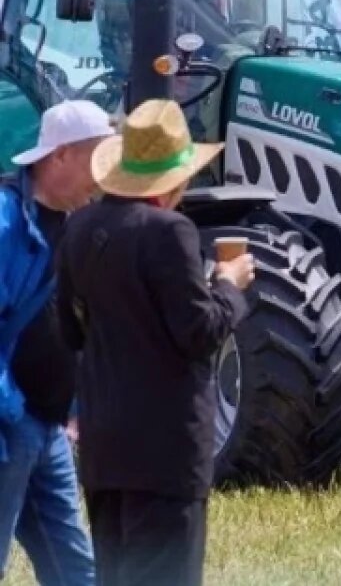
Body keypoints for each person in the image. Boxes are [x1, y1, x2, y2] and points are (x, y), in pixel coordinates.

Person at [56, 98, 255, 586]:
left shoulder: (79, 226)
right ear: (174, 180)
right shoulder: (171, 231)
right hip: (165, 450)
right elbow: (200, 332)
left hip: (105, 444)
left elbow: (68, 329)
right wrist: (229, 286)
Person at [0, 100, 113, 585]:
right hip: (11, 426)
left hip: (48, 429)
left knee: (75, 572)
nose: (102, 179)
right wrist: (11, 413)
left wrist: (73, 409)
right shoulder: (6, 222)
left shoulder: (76, 223)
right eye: (96, 161)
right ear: (60, 155)